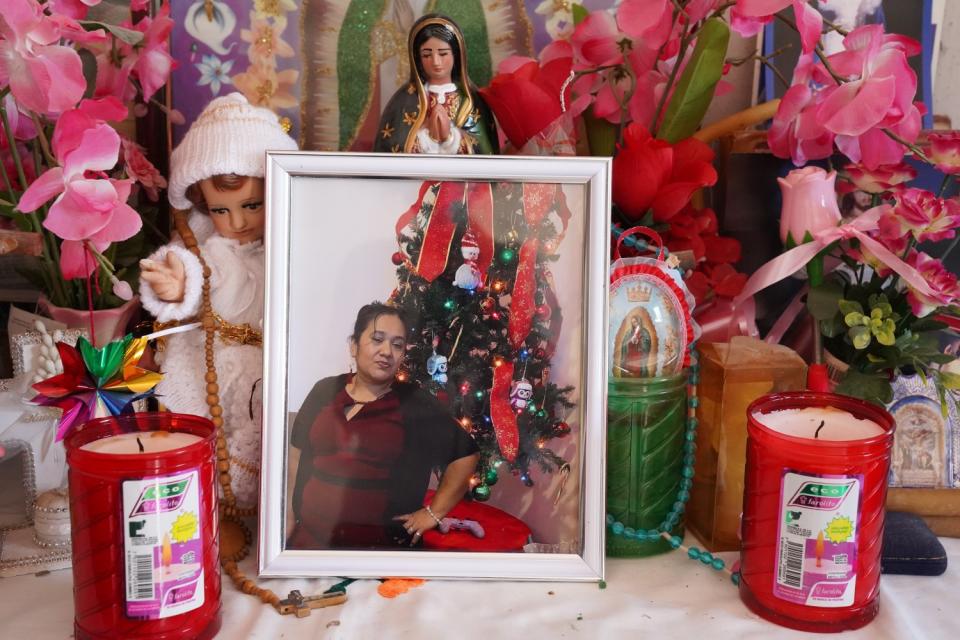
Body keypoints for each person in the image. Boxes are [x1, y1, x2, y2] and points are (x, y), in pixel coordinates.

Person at [138, 93, 298, 508]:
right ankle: (211, 502)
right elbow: (192, 269)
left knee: (265, 431)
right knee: (209, 426)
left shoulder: (286, 248)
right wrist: (175, 285)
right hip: (214, 357)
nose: (238, 222)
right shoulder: (213, 251)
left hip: (269, 364)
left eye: (251, 206)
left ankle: (263, 508)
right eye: (221, 211)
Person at [287, 302, 479, 549]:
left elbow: (466, 454)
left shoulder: (414, 402)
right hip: (311, 542)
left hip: (381, 551)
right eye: (377, 340)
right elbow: (296, 454)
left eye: (397, 345)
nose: (387, 351)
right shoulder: (324, 390)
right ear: (353, 346)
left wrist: (432, 514)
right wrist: (288, 516)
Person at [373, 13, 498, 155]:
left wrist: (450, 138)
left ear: (456, 55)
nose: (436, 62)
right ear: (417, 59)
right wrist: (428, 137)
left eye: (443, 54)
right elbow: (391, 147)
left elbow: (485, 151)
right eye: (427, 55)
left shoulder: (471, 100)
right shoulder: (404, 101)